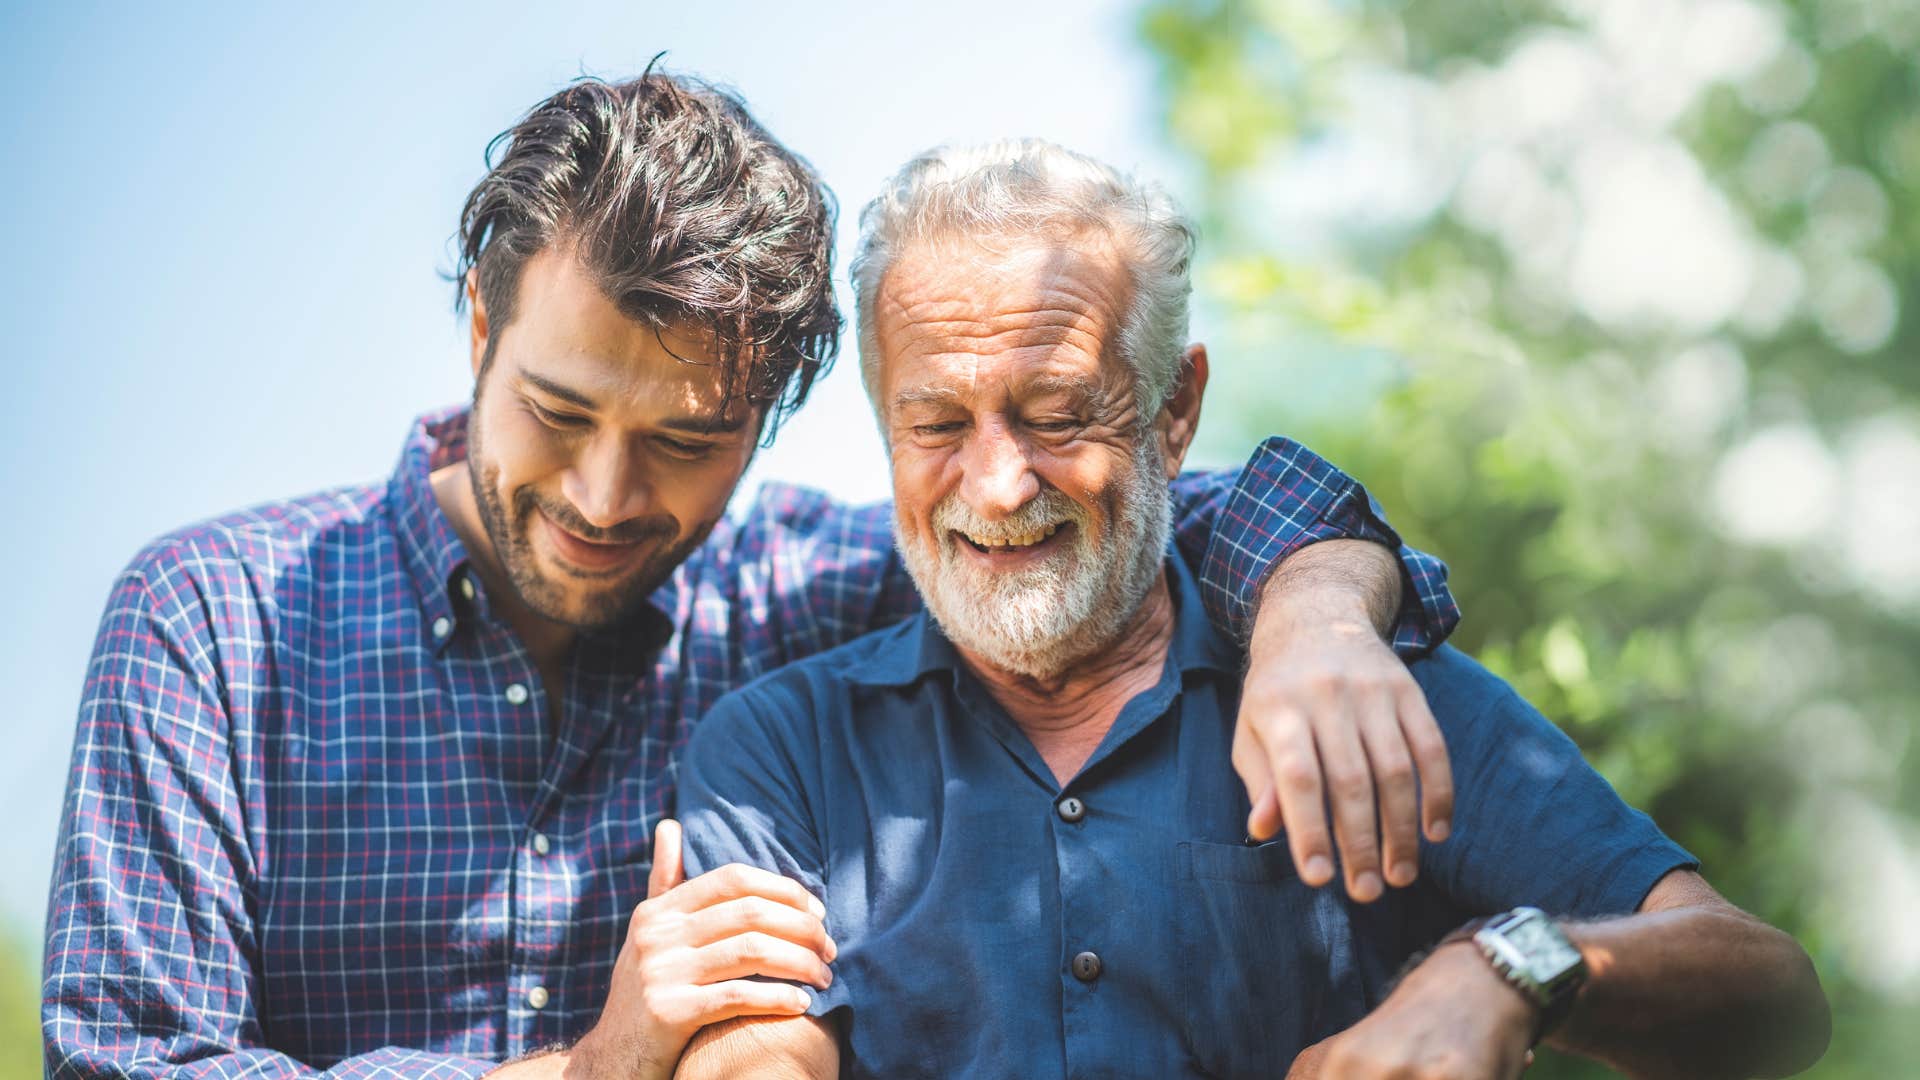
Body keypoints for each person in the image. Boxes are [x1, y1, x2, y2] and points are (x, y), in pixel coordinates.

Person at [42, 72, 1465, 1078]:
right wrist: (593, 1075)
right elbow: (126, 1067)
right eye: (557, 410)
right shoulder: (209, 625)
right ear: (479, 326)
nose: (606, 497)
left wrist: (1317, 613)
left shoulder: (805, 591)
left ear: (774, 418)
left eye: (685, 439)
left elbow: (1133, 508)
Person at [672, 139, 1832, 1079]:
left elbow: (1768, 991)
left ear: (1175, 410)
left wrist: (1506, 968)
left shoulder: (1360, 689)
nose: (996, 484)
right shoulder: (778, 747)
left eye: (1059, 412)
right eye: (935, 425)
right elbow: (761, 1051)